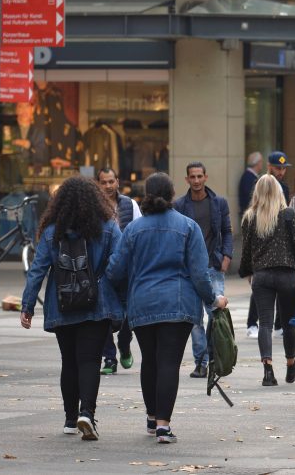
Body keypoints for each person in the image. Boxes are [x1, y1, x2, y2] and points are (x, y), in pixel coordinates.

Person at [107, 172, 229, 444]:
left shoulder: (133, 230)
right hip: (178, 305)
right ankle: (164, 426)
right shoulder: (188, 227)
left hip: (142, 305)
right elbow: (199, 274)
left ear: (146, 194)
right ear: (173, 194)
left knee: (149, 361)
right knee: (169, 363)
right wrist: (214, 300)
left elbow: (115, 270)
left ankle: (151, 418)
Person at [20, 176, 124, 441]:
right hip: (96, 304)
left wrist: (27, 305)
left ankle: (69, 419)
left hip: (62, 305)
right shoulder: (108, 228)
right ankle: (87, 413)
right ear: (95, 199)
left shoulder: (53, 230)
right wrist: (115, 294)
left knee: (69, 362)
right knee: (90, 360)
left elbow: (38, 269)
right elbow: (121, 264)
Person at [239, 174, 295, 386]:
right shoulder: (287, 214)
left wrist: (247, 271)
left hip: (262, 275)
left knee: (265, 324)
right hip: (287, 274)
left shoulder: (250, 217)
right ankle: (290, 364)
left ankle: (268, 371)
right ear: (278, 191)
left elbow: (247, 249)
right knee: (288, 323)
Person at [172, 162, 233, 379]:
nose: (196, 180)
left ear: (206, 177)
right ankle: (201, 362)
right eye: (192, 177)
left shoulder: (218, 203)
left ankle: (215, 358)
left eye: (200, 176)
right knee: (195, 320)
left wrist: (227, 256)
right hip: (190, 270)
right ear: (186, 179)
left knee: (215, 315)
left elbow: (227, 230)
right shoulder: (179, 205)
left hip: (213, 266)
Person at [97, 167, 141, 375]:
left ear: (117, 181)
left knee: (127, 315)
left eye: (111, 181)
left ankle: (124, 344)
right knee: (103, 314)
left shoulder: (130, 204)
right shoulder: (93, 207)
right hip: (102, 269)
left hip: (127, 268)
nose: (108, 186)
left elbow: (139, 231)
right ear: (98, 184)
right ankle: (109, 359)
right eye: (104, 182)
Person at [250, 150, 290, 339]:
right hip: (262, 238)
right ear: (269, 167)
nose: (281, 172)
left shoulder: (285, 187)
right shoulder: (259, 184)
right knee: (259, 286)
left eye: (283, 168)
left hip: (278, 241)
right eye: (277, 168)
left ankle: (279, 324)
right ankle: (252, 323)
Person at [238, 151, 263, 216]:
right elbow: (250, 197)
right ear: (257, 163)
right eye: (261, 162)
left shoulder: (251, 176)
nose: (262, 164)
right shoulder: (248, 177)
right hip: (250, 215)